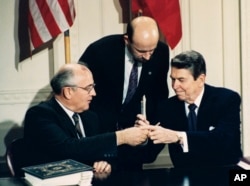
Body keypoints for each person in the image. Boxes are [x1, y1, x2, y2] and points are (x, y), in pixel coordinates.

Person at [23, 63, 150, 174]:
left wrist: (105, 162)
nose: (94, 93)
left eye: (93, 86)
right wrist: (121, 137)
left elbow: (101, 148)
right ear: (68, 92)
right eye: (88, 88)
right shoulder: (39, 115)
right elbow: (67, 149)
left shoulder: (90, 117)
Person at [79, 16, 169, 170]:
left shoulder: (161, 52)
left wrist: (149, 133)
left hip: (133, 142)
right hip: (100, 136)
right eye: (141, 51)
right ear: (127, 40)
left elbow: (159, 96)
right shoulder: (99, 51)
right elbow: (81, 96)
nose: (148, 57)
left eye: (151, 50)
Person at [137, 50, 243, 168]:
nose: (174, 86)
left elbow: (224, 140)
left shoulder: (227, 99)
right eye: (173, 79)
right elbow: (148, 156)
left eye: (181, 80)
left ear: (200, 80)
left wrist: (178, 137)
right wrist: (143, 136)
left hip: (225, 176)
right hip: (186, 178)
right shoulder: (167, 108)